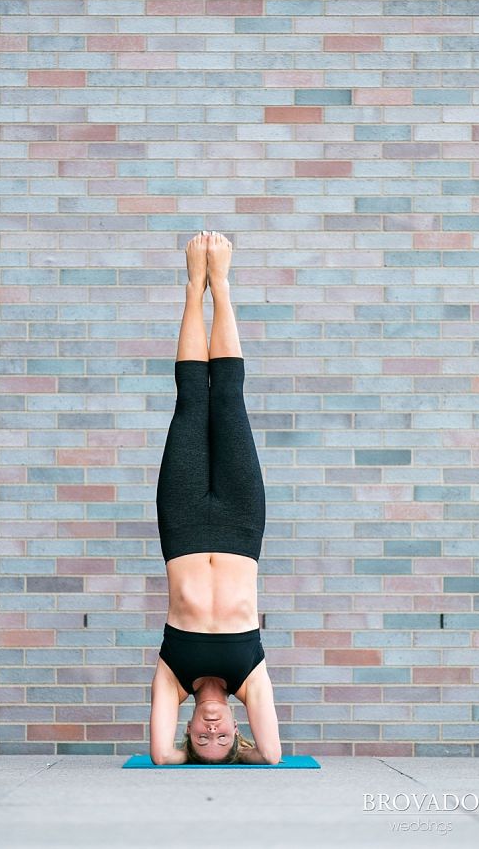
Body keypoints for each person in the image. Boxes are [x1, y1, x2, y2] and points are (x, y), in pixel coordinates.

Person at [148, 231, 282, 765]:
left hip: (181, 527)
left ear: (187, 732)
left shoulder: (172, 675)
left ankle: (191, 289)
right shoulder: (250, 675)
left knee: (188, 404)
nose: (210, 732)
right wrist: (242, 756)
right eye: (222, 739)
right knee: (227, 401)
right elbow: (271, 756)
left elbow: (161, 756)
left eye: (200, 741)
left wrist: (190, 756)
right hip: (241, 527)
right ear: (237, 728)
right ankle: (220, 287)